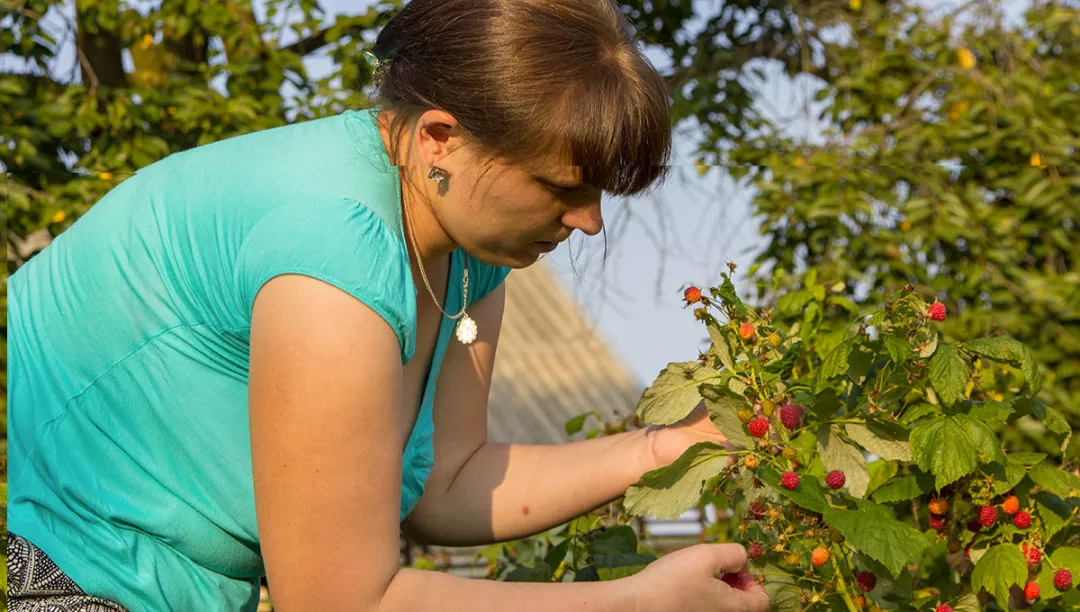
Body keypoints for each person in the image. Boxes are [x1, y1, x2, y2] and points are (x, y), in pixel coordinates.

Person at [6, 0, 770, 610]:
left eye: (600, 192)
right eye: (562, 187)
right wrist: (635, 603)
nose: (590, 221)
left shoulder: (469, 255)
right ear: (441, 137)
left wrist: (662, 449)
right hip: (81, 587)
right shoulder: (331, 254)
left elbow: (446, 483)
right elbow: (339, 600)